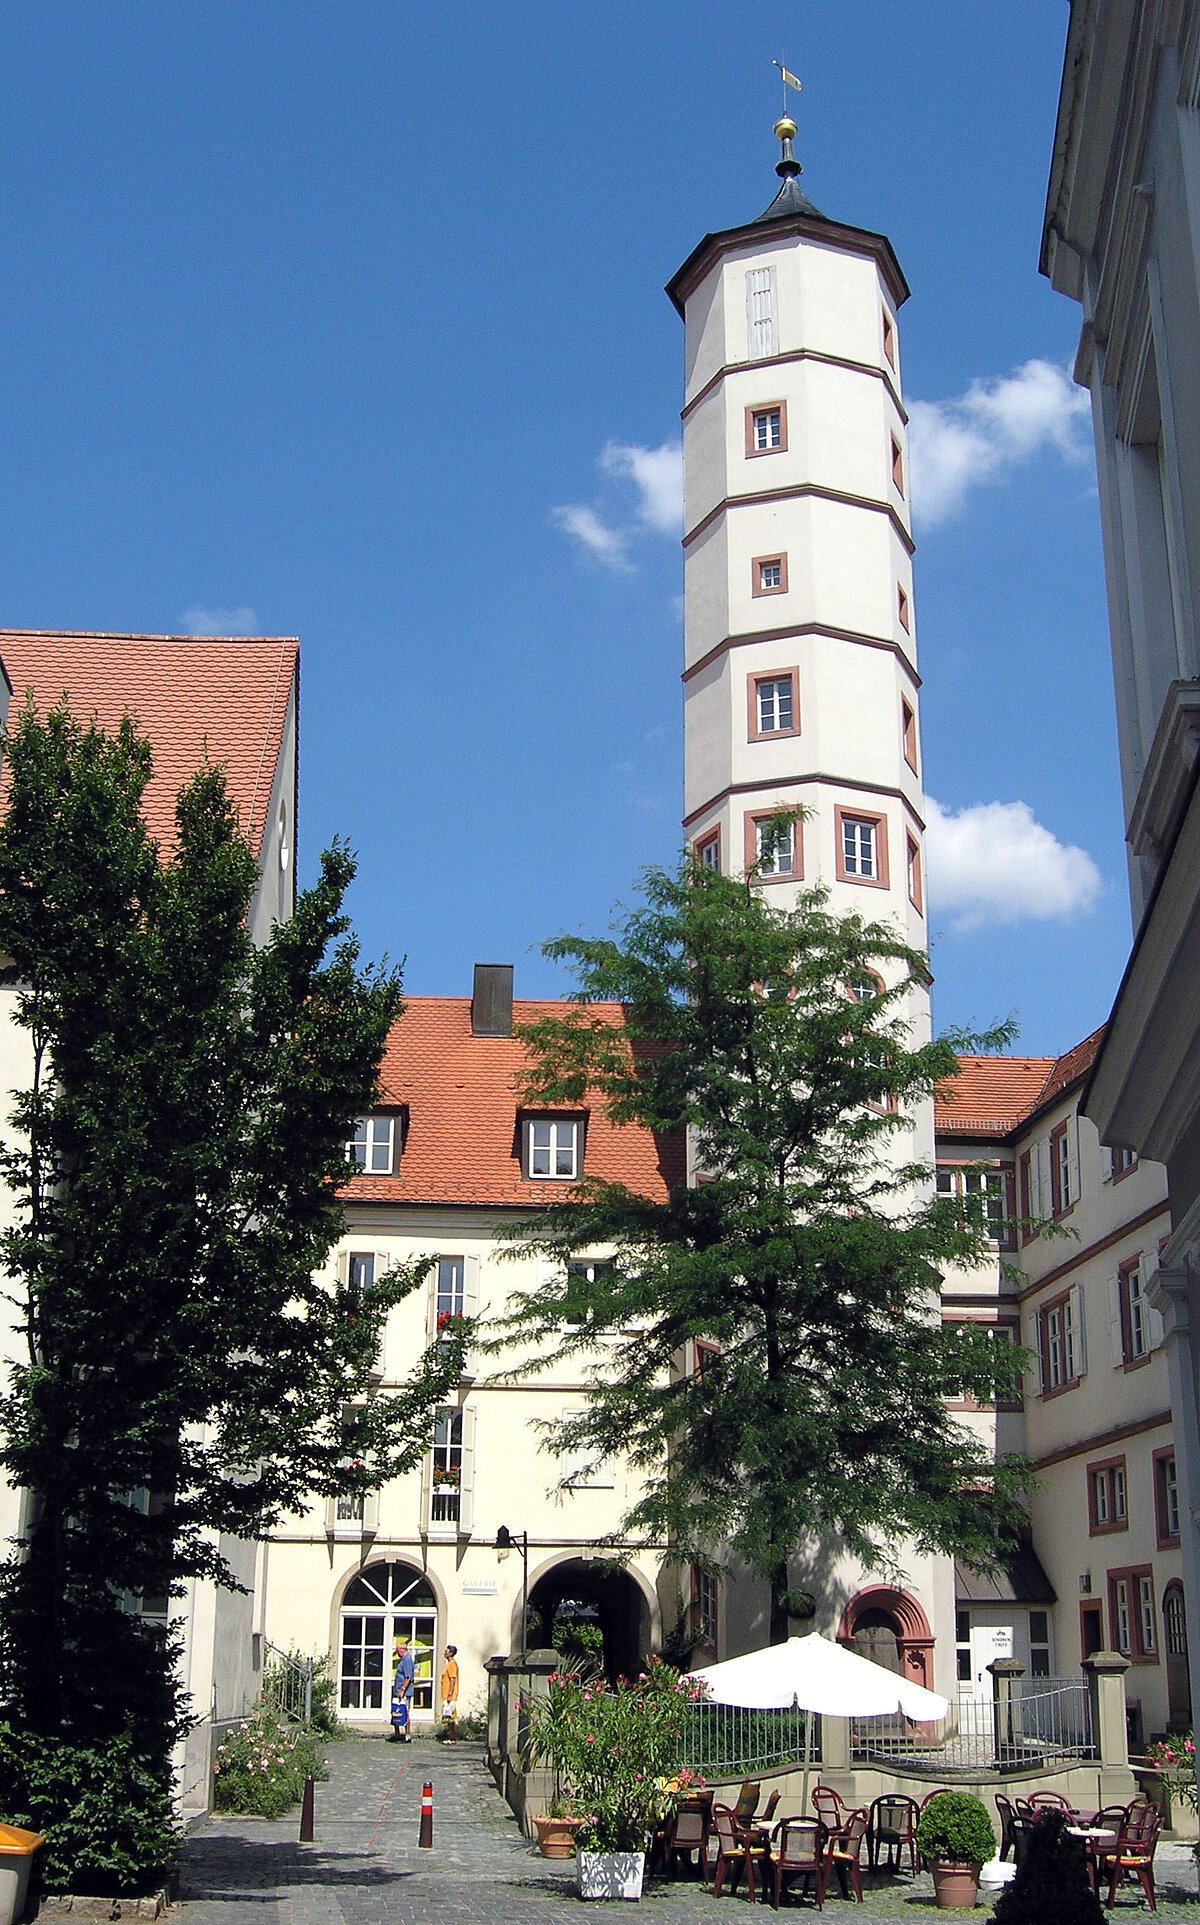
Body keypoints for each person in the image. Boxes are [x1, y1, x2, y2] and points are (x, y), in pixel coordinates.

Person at [391, 1638, 415, 1742]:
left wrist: (402, 1689)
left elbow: (408, 1677)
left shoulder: (407, 1660)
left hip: (404, 1692)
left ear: (402, 1650)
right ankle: (397, 1734)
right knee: (396, 1712)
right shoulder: (403, 1660)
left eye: (397, 1651)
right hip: (398, 1691)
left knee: (404, 1712)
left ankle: (407, 1735)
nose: (396, 1653)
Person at [440, 1644, 459, 1742]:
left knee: (450, 1717)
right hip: (446, 1695)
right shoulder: (449, 1664)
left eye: (446, 1651)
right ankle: (449, 1736)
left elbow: (452, 1679)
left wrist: (450, 1694)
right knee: (447, 1717)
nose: (444, 1653)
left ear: (451, 1653)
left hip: (449, 1696)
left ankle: (452, 1738)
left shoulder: (452, 1664)